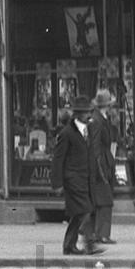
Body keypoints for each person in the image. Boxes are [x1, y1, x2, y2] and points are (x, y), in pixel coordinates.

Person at [50, 95, 103, 256]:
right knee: (85, 209)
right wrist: (57, 183)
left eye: (90, 112)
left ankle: (69, 245)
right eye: (86, 112)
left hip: (86, 178)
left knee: (80, 212)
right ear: (78, 114)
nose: (89, 115)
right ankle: (89, 244)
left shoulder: (88, 130)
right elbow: (58, 159)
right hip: (73, 179)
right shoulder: (67, 133)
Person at [88, 89, 117, 245]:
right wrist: (100, 170)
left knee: (101, 200)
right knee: (105, 200)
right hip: (101, 164)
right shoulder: (97, 121)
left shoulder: (102, 118)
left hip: (105, 162)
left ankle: (96, 233)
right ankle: (102, 234)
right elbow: (95, 147)